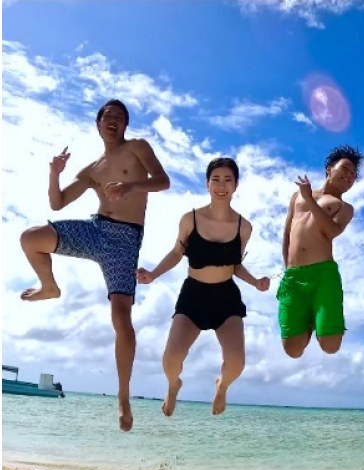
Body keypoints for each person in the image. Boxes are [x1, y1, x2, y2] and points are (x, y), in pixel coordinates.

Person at [19, 99, 170, 432]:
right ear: (98, 124)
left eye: (119, 117)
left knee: (121, 316)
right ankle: (50, 287)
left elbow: (163, 181)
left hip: (125, 240)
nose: (113, 120)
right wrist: (53, 174)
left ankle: (123, 397)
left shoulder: (138, 148)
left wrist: (132, 185)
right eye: (107, 116)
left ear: (126, 125)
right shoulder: (93, 169)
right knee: (30, 238)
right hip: (94, 229)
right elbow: (57, 202)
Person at [137, 158, 268, 417]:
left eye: (227, 179)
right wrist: (153, 275)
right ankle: (174, 385)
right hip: (193, 295)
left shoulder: (245, 227)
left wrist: (255, 282)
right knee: (170, 360)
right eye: (216, 179)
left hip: (226, 297)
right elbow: (176, 253)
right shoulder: (190, 219)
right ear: (207, 184)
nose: (221, 185)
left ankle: (222, 386)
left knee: (236, 364)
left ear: (236, 185)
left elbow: (235, 265)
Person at [278, 145, 364, 358]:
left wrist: (309, 199)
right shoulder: (296, 197)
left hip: (323, 276)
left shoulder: (344, 208)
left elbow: (332, 231)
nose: (349, 176)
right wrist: (287, 268)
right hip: (294, 276)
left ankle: (321, 316)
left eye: (353, 174)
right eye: (345, 169)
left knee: (330, 345)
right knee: (292, 350)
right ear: (329, 169)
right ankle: (310, 318)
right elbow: (288, 232)